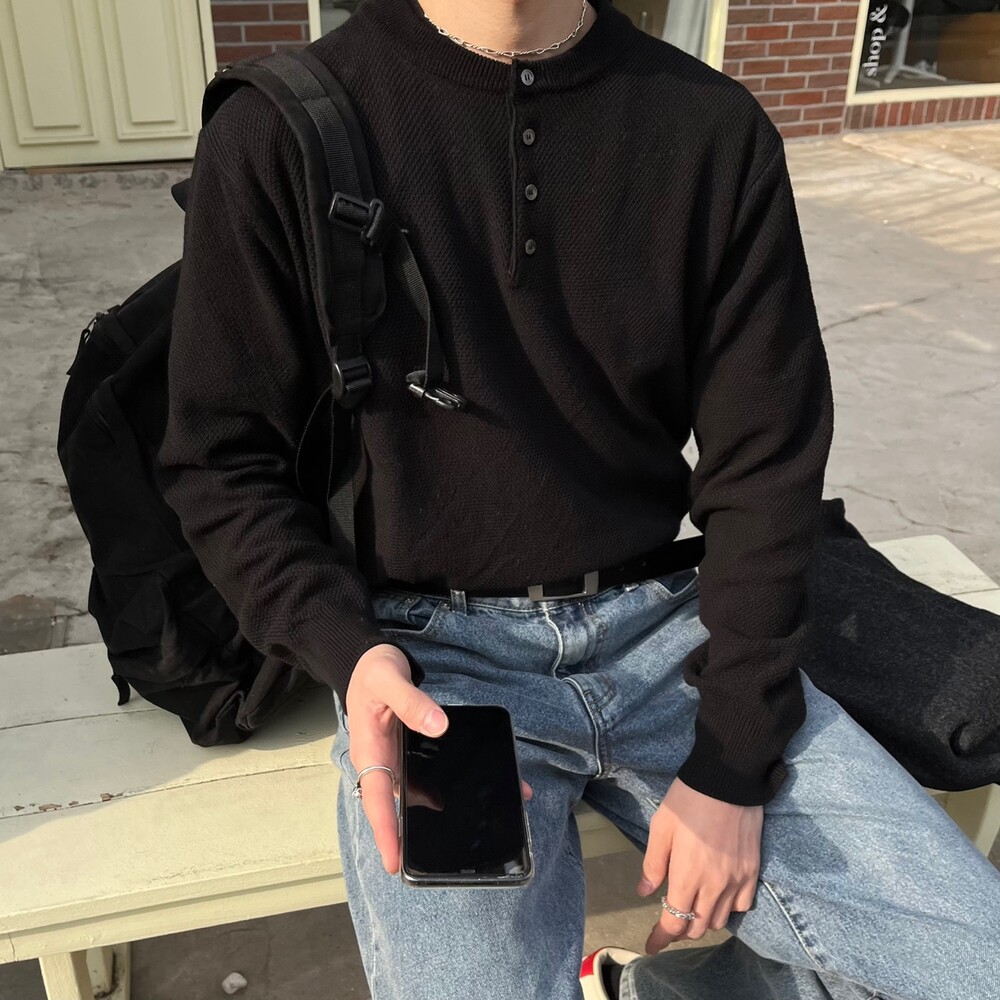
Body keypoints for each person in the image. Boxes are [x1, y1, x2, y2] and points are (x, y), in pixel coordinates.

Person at [156, 1, 1000, 998]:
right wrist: (349, 653)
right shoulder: (278, 127)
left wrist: (733, 762)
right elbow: (221, 461)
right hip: (433, 667)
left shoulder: (710, 128)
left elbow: (765, 466)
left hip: (675, 635)